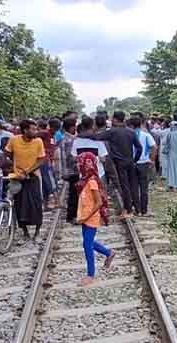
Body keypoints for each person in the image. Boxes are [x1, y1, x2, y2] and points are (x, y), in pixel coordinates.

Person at [76, 152, 115, 287]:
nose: (78, 165)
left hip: (91, 218)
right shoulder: (85, 180)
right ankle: (109, 252)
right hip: (85, 217)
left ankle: (91, 275)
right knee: (89, 242)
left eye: (80, 163)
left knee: (87, 245)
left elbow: (98, 203)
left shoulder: (91, 181)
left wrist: (85, 217)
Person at [5, 120, 46, 241]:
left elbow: (41, 160)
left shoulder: (38, 141)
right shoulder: (14, 140)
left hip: (33, 176)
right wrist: (13, 167)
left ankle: (37, 232)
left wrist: (27, 171)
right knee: (20, 204)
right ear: (25, 130)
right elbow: (7, 154)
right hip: (17, 177)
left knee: (36, 203)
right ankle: (25, 232)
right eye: (33, 129)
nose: (36, 131)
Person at [96, 111, 142, 218]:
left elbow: (97, 137)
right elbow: (139, 147)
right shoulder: (131, 132)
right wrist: (135, 159)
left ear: (115, 119)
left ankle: (128, 210)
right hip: (130, 161)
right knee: (133, 185)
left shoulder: (112, 132)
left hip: (119, 163)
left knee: (124, 186)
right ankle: (137, 209)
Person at [132, 117, 157, 216]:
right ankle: (144, 210)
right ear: (141, 124)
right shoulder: (146, 135)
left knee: (134, 187)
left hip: (133, 163)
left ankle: (136, 209)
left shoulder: (130, 135)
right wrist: (152, 160)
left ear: (131, 125)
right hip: (144, 163)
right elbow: (154, 147)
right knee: (144, 188)